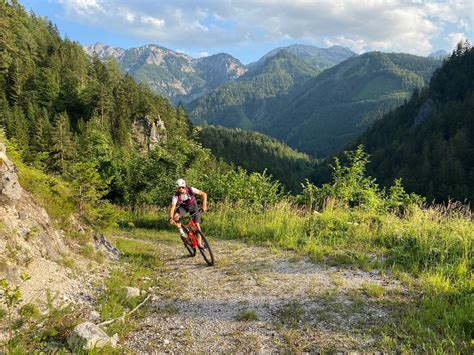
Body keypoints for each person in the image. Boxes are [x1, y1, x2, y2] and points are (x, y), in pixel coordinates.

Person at [169, 178, 207, 246]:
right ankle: (182, 234)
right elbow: (173, 207)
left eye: (182, 187)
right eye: (179, 188)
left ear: (185, 186)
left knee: (197, 226)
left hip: (193, 206)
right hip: (183, 208)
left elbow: (204, 194)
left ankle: (199, 242)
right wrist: (171, 218)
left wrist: (204, 205)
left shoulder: (191, 189)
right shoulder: (175, 196)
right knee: (176, 217)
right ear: (177, 188)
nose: (181, 189)